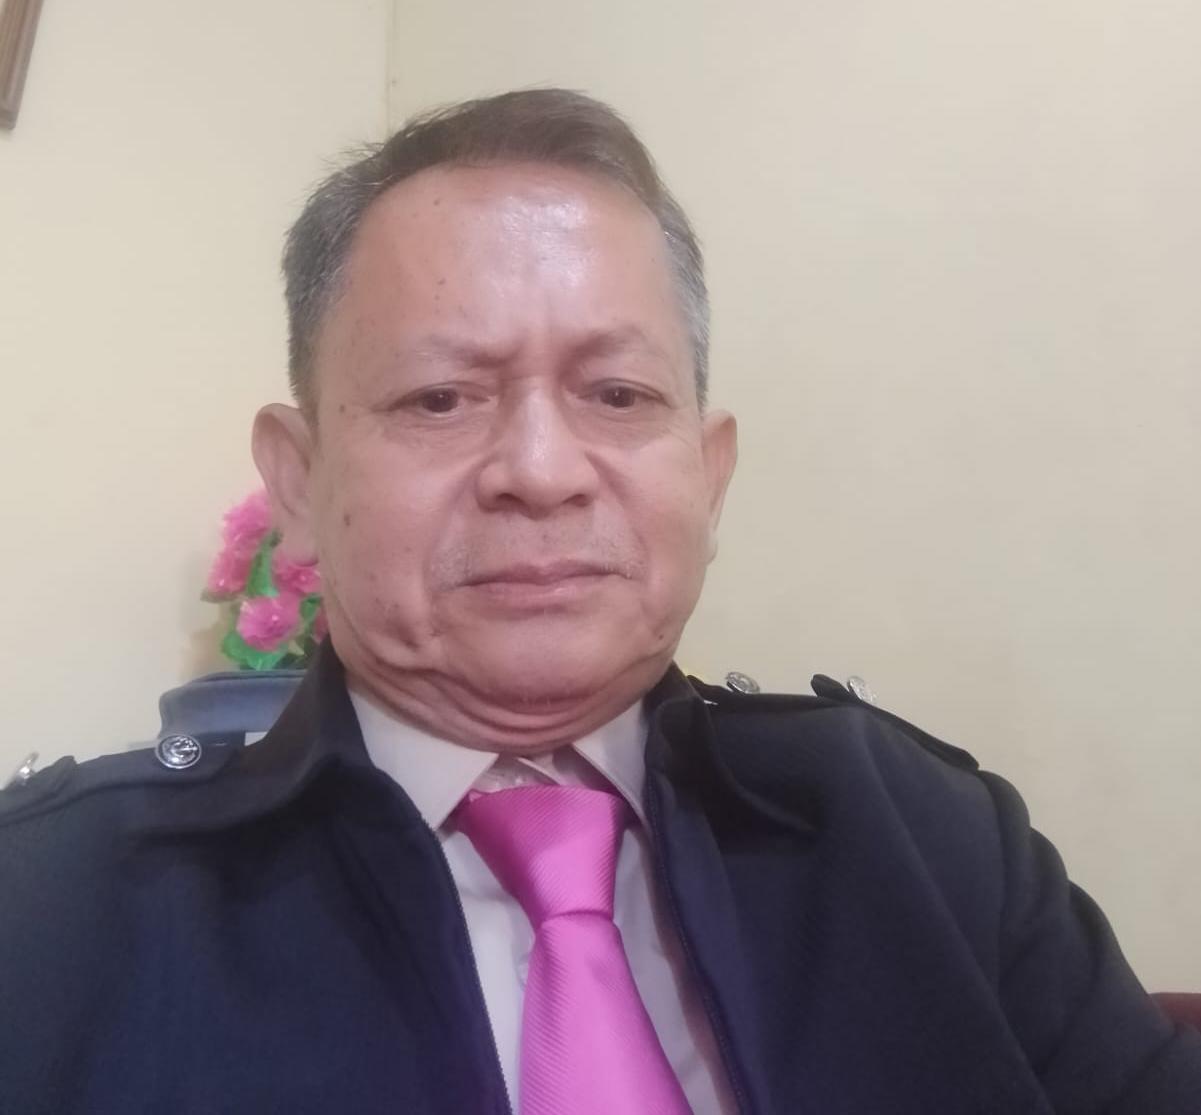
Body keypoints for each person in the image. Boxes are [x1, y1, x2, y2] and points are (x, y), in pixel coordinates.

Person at [1, 88, 1198, 1114]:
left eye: (618, 395)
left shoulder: (926, 837)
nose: (540, 470)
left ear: (708, 474)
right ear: (299, 482)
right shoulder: (51, 911)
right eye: (439, 398)